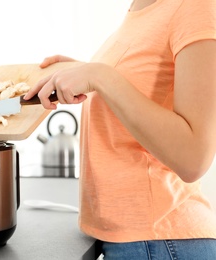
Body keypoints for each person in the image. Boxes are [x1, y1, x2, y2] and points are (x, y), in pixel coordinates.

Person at [23, 0, 216, 259]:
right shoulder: (141, 7)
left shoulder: (195, 6)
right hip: (137, 242)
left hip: (162, 241)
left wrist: (101, 76)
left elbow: (194, 158)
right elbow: (143, 93)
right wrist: (86, 73)